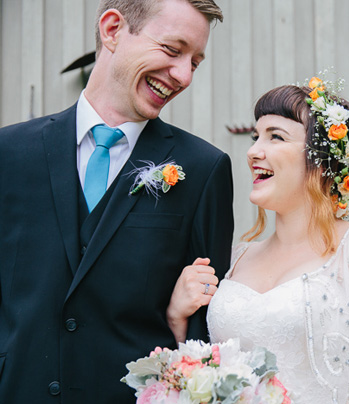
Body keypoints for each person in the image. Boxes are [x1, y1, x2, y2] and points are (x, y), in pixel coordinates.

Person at [0, 0, 233, 403]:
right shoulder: (8, 153)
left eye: (195, 63)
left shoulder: (203, 169)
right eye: (172, 49)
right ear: (112, 30)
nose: (183, 76)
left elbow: (205, 330)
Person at [168, 77, 349, 403]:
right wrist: (176, 318)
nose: (253, 151)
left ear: (322, 160)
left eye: (275, 137)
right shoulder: (235, 259)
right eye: (256, 137)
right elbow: (201, 379)